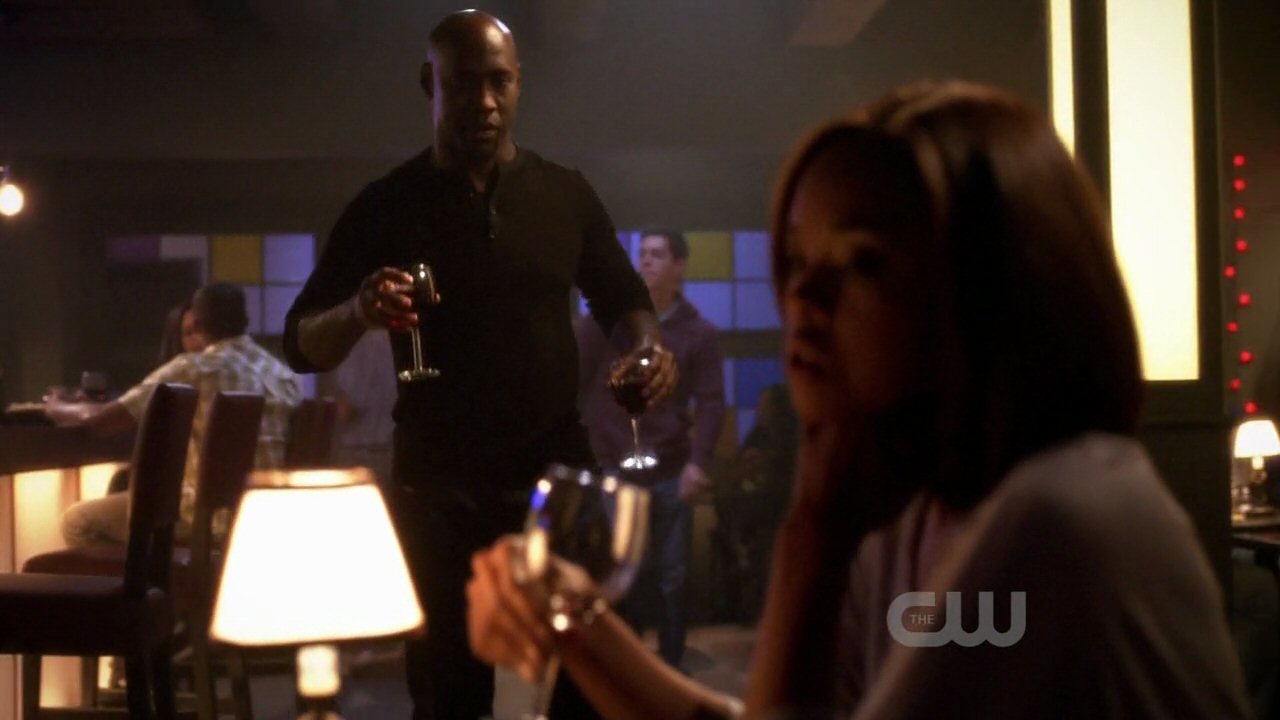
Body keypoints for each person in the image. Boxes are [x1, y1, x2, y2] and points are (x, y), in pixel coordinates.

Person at [465, 81, 1252, 719]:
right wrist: (573, 620)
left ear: (991, 286)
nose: (807, 295)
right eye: (798, 257)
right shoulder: (910, 507)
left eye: (865, 260)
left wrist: (812, 538)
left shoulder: (1055, 520)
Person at [280, 10, 677, 719]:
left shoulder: (564, 193)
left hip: (553, 481)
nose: (486, 102)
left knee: (582, 689)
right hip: (439, 488)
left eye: (500, 82)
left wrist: (647, 349)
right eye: (465, 84)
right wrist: (359, 312)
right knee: (448, 696)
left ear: (519, 83)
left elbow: (625, 300)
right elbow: (301, 342)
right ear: (429, 84)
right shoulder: (387, 205)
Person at [48, 283, 302, 547]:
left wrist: (56, 407)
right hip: (269, 515)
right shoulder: (281, 374)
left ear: (199, 324)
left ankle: (152, 574)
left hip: (210, 520)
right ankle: (171, 573)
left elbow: (102, 421)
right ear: (245, 320)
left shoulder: (195, 368)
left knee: (76, 520)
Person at [575, 228, 726, 670]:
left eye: (657, 254)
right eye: (642, 254)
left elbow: (712, 401)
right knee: (622, 573)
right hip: (614, 466)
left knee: (673, 575)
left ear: (679, 266)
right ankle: (630, 669)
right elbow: (577, 386)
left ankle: (672, 666)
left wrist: (698, 463)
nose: (646, 262)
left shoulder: (698, 333)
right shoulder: (607, 326)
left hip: (670, 466)